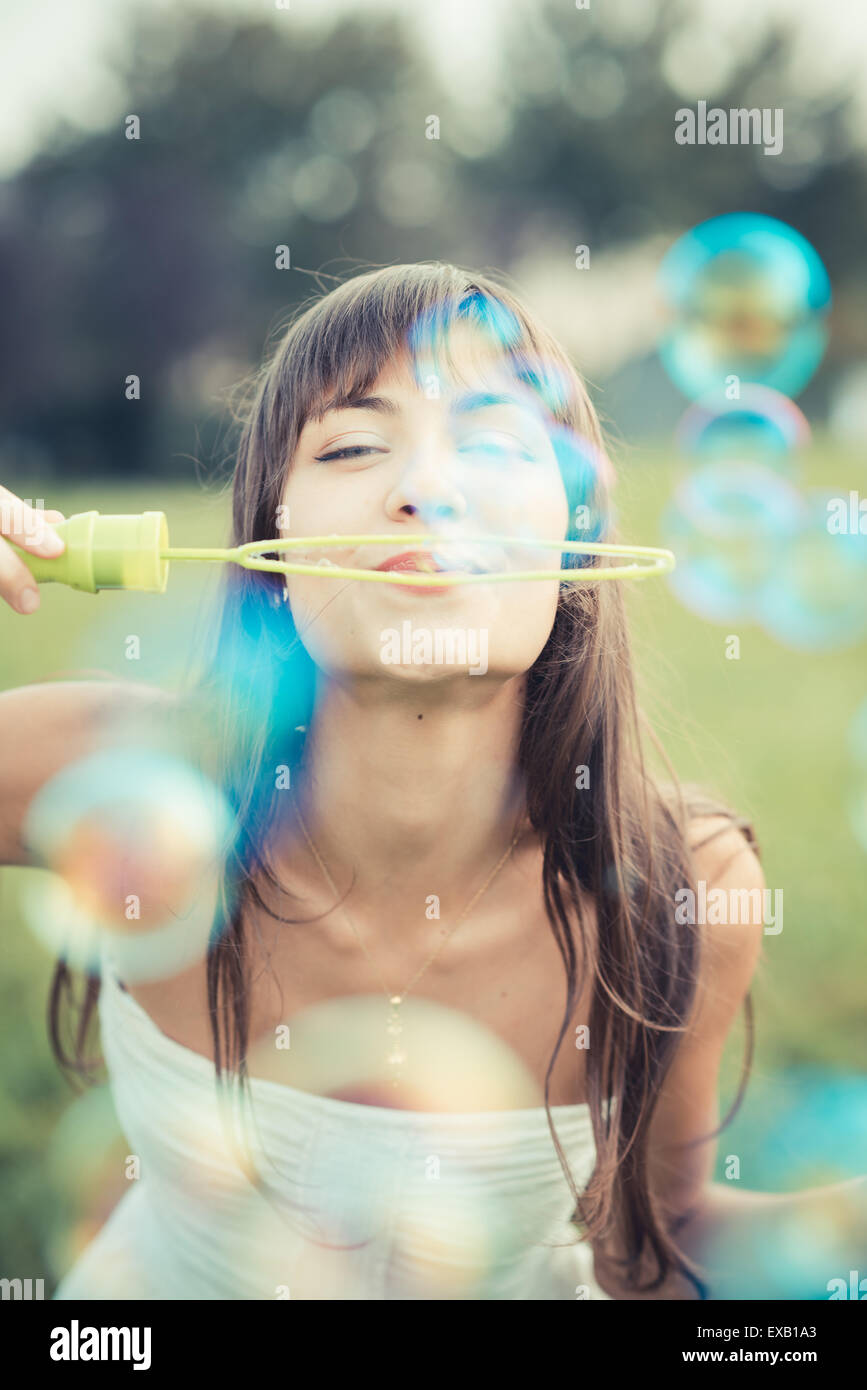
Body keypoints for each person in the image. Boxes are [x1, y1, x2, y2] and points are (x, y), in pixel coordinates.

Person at [1, 263, 857, 1301]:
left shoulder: (684, 881)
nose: (427, 488)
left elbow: (659, 1238)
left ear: (576, 543)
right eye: (354, 444)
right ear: (275, 544)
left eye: (494, 441)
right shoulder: (103, 771)